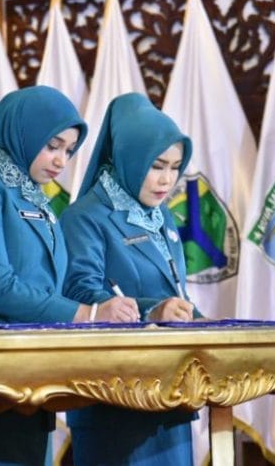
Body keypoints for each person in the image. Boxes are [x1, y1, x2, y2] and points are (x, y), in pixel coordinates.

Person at [0, 86, 140, 465]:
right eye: (52, 146)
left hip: (27, 373)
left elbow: (50, 284)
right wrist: (86, 314)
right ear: (22, 133)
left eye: (69, 151)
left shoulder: (35, 197)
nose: (61, 160)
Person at [61, 92, 204, 465]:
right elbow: (78, 291)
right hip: (114, 401)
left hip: (172, 393)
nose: (167, 180)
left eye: (175, 167)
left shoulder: (160, 216)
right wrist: (152, 310)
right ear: (130, 158)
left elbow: (174, 290)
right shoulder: (85, 217)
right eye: (157, 166)